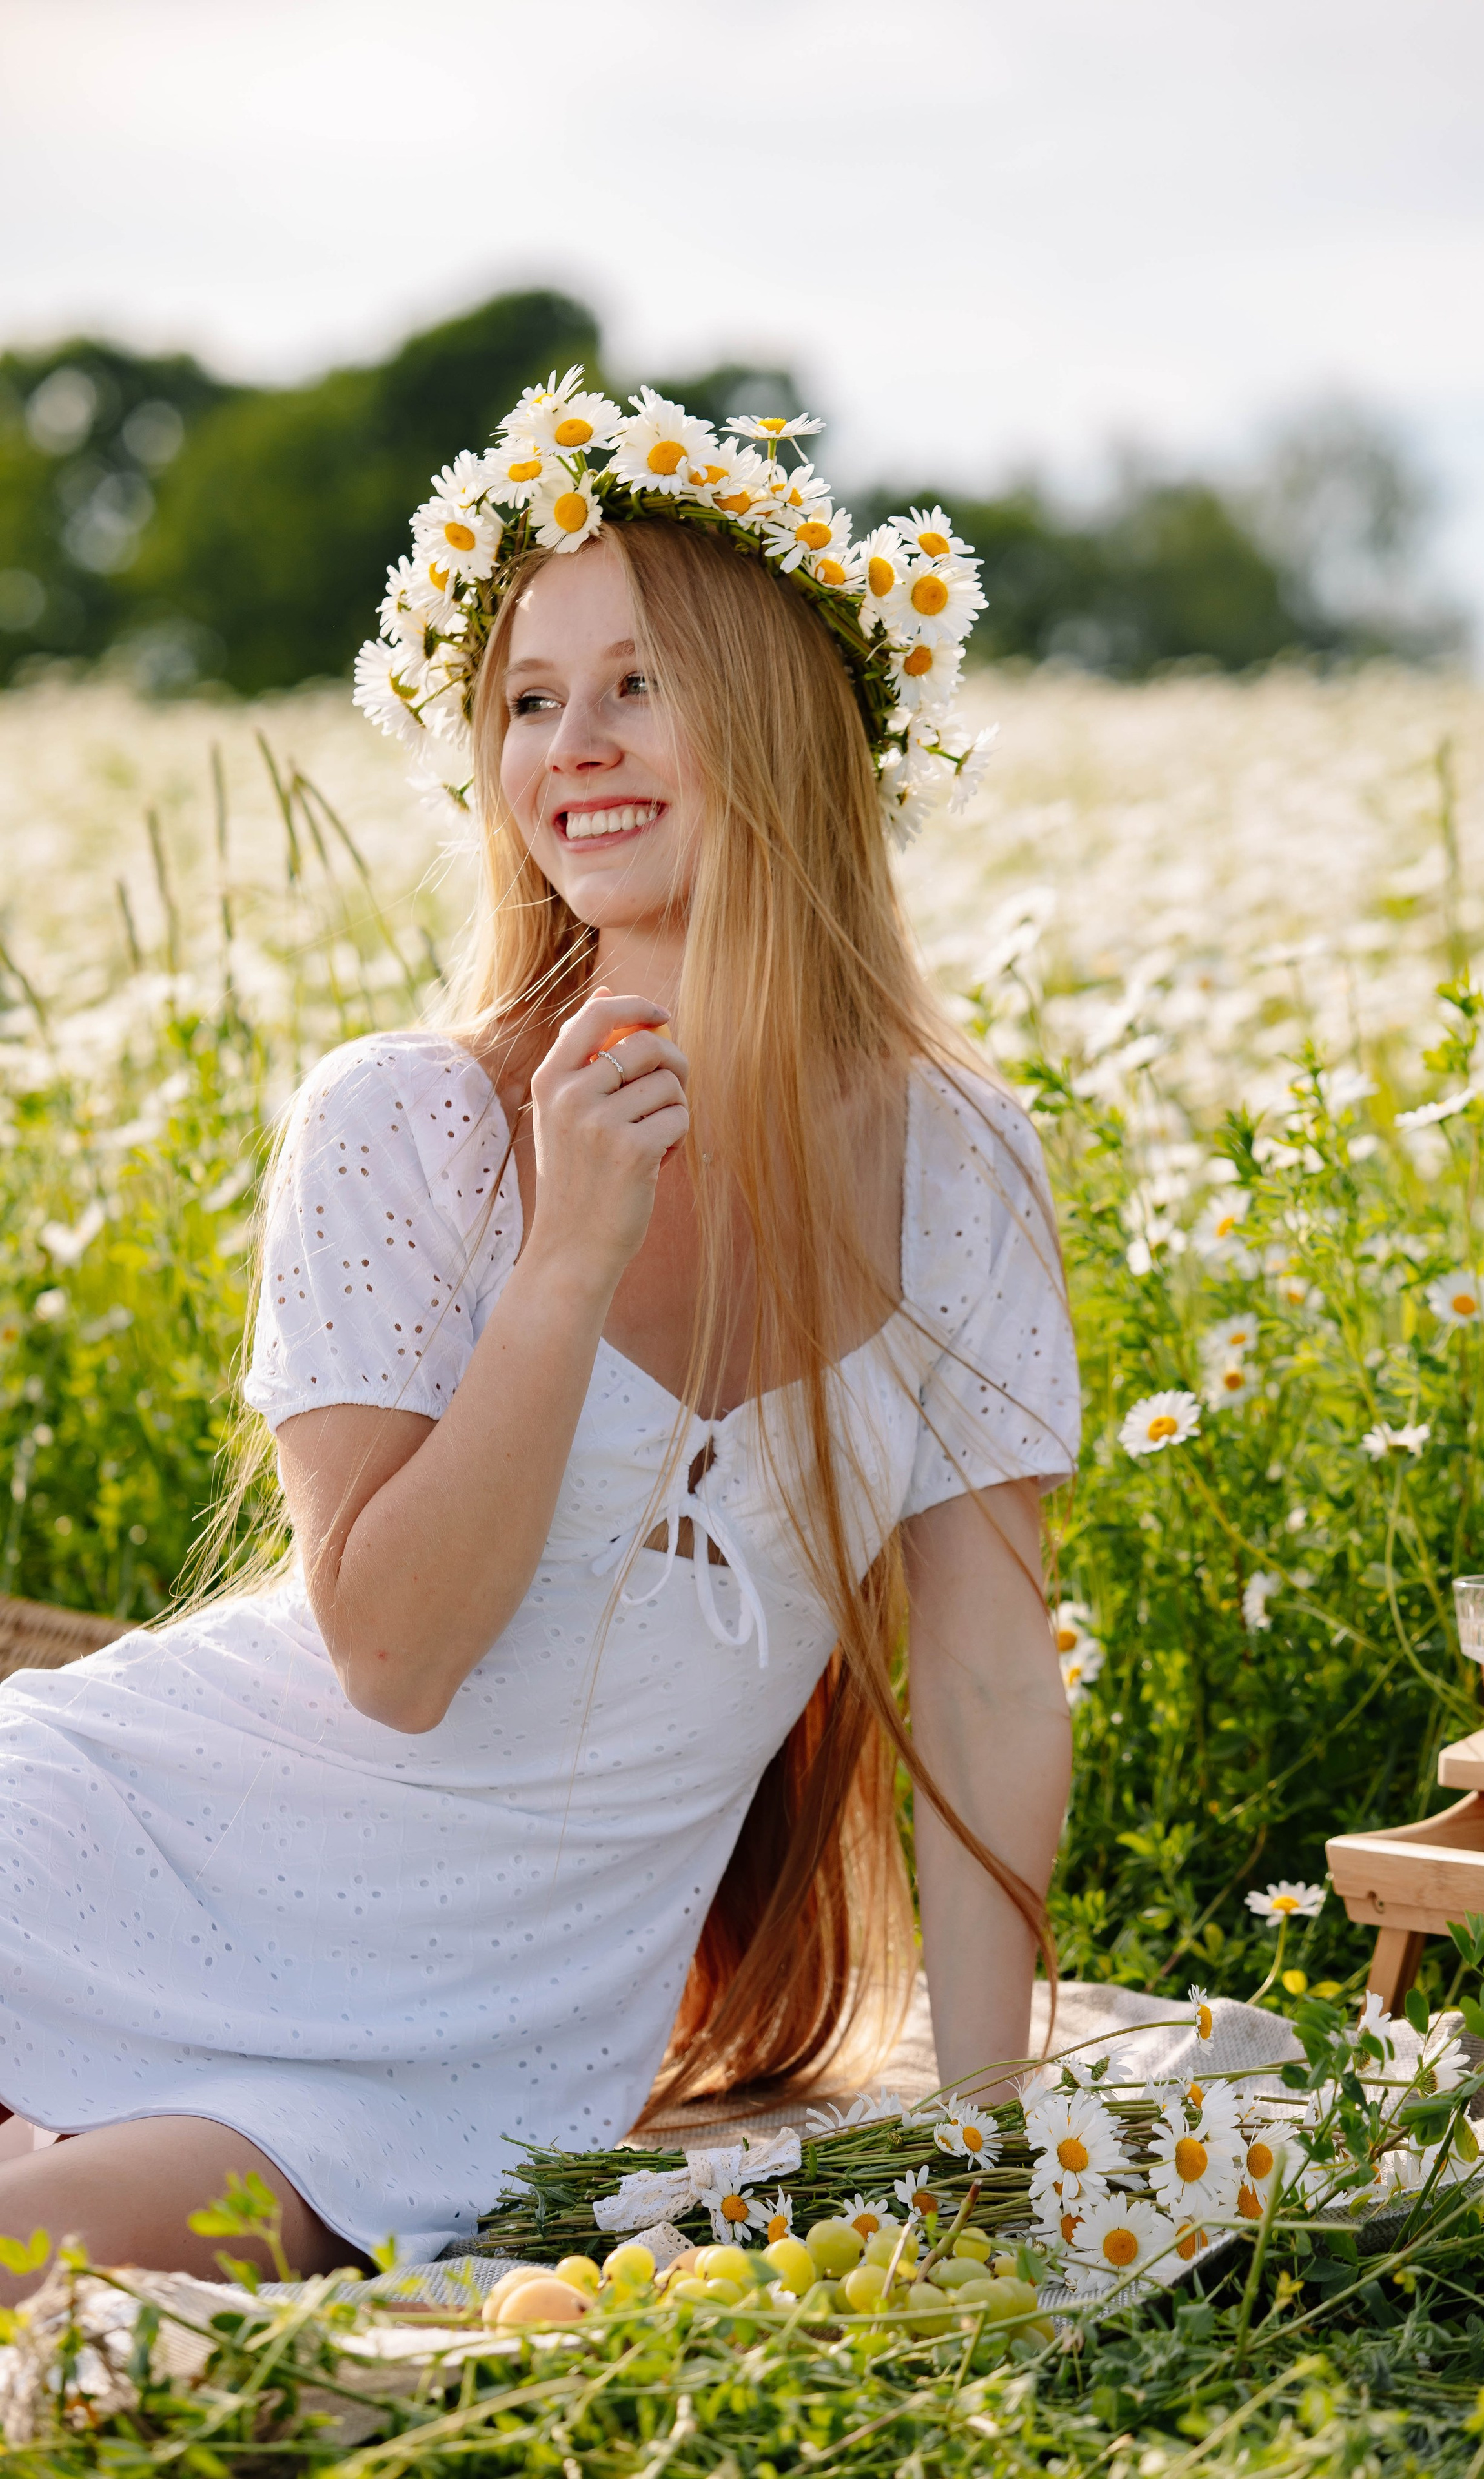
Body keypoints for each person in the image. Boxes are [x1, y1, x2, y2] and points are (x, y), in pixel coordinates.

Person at [0, 383, 1079, 2298]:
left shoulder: (957, 1165)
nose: (569, 748)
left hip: (463, 2059)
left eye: (639, 685)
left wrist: (988, 2153)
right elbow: (396, 1656)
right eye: (522, 698)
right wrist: (566, 1260)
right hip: (102, 1845)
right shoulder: (402, 1121)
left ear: (784, 712)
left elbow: (991, 1687)